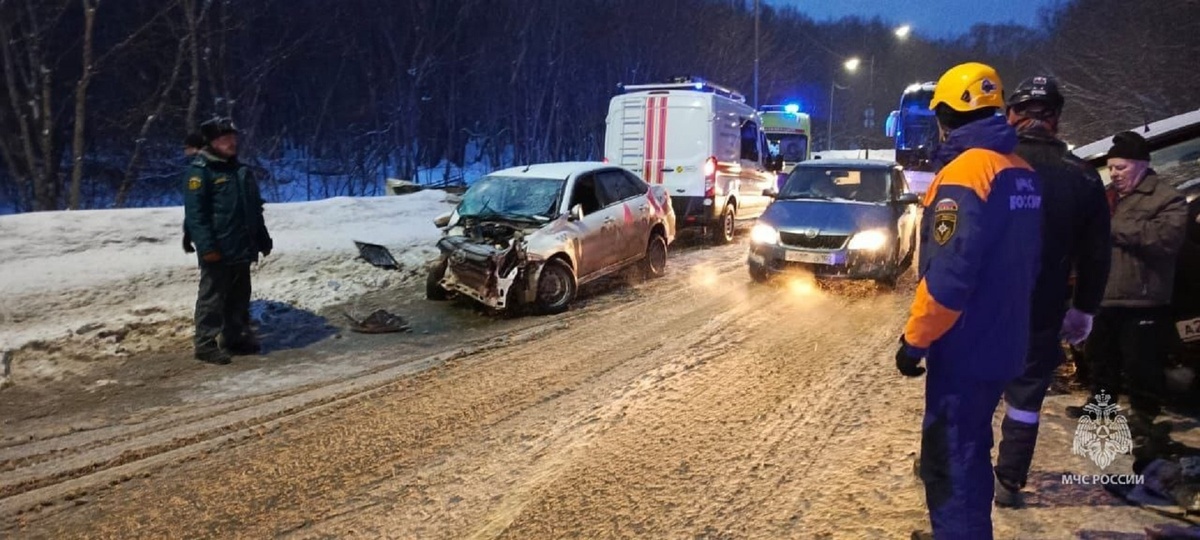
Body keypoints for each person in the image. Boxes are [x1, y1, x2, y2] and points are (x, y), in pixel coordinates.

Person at [895, 62, 1043, 539]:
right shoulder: (1020, 171)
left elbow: (950, 276)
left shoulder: (966, 173)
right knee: (971, 451)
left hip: (965, 346)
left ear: (945, 116)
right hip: (1005, 339)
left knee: (950, 458)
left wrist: (915, 340)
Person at [991, 76, 1113, 507]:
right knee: (1025, 397)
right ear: (1056, 121)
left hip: (986, 307)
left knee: (974, 389)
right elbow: (1097, 255)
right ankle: (1007, 481)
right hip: (1043, 308)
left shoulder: (988, 165)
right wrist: (1084, 309)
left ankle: (955, 463)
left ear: (1011, 116)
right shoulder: (1082, 177)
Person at [1068, 130, 1188, 476]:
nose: (1115, 173)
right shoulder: (1108, 198)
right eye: (1111, 167)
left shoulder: (1166, 198)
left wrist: (1114, 228)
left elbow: (1165, 239)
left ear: (1140, 165)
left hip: (1143, 296)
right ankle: (1101, 408)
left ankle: (1144, 416)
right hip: (1105, 294)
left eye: (1120, 167)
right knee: (1100, 356)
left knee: (1140, 361)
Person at [183, 117, 273, 364]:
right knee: (212, 297)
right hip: (218, 247)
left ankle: (234, 338)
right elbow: (195, 215)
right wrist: (207, 246)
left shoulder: (240, 171)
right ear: (212, 143)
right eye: (225, 139)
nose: (232, 143)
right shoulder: (200, 173)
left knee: (239, 295)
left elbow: (253, 209)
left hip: (241, 245)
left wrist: (262, 238)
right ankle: (205, 344)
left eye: (233, 138)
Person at [182, 132, 205, 254]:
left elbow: (194, 205)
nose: (185, 151)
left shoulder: (199, 169)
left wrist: (188, 232)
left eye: (186, 147)